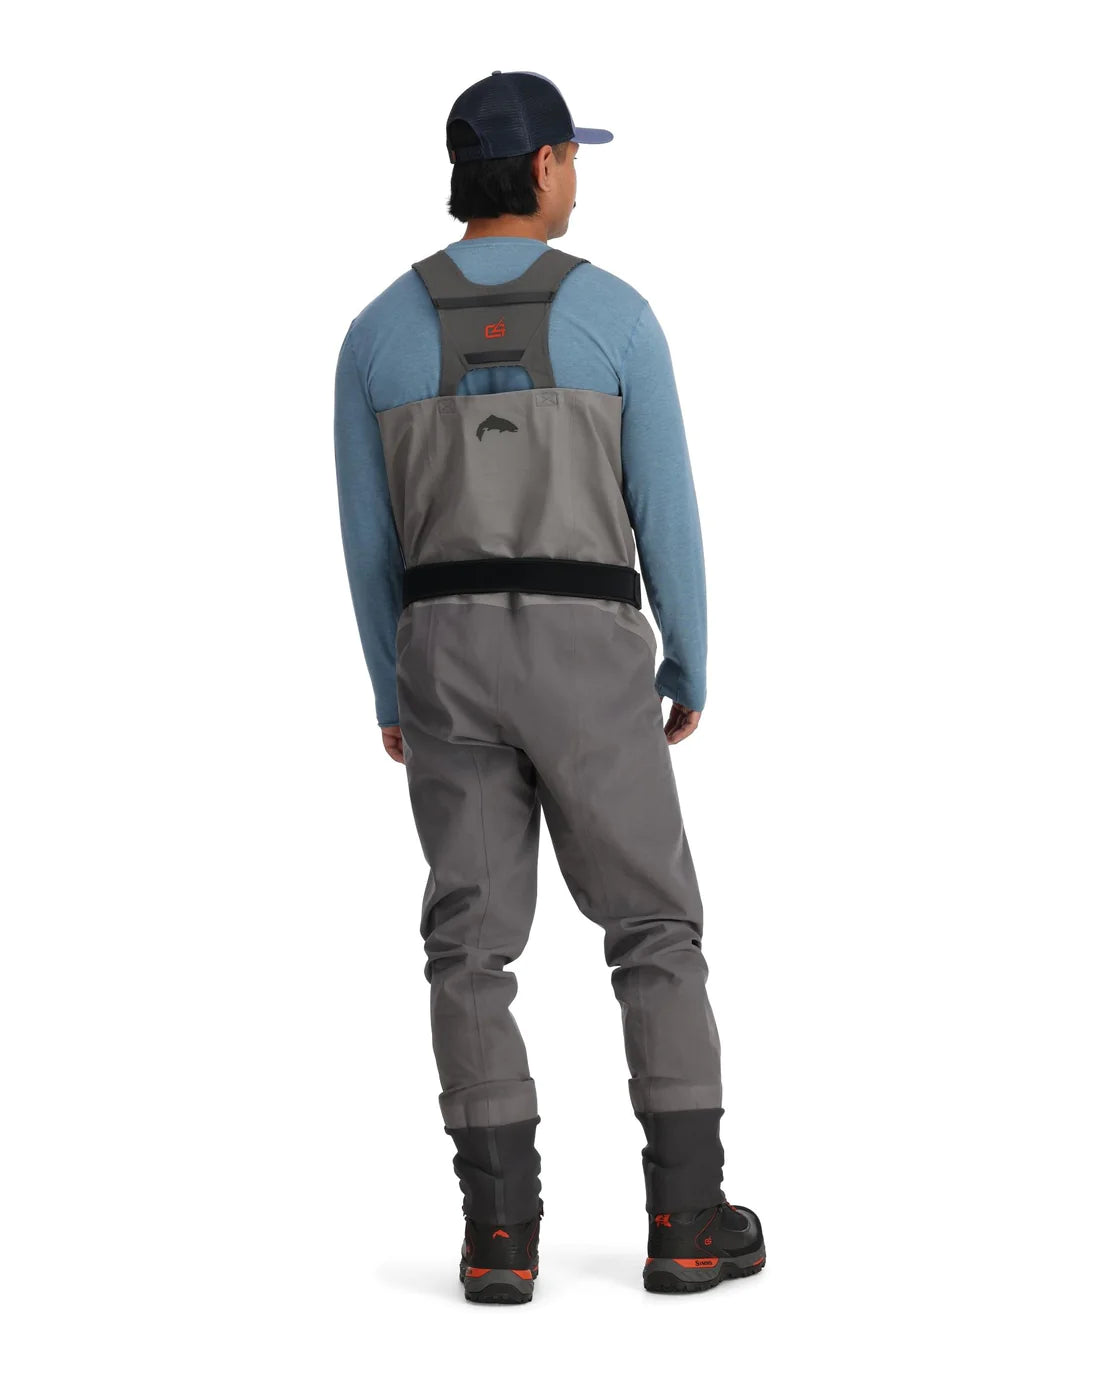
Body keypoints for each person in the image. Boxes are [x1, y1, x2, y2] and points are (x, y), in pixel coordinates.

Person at [333, 70, 765, 1303]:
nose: (576, 176)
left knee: (468, 947)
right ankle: (687, 1220)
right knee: (652, 928)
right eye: (572, 156)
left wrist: (390, 690)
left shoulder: (375, 334)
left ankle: (498, 1238)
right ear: (539, 167)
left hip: (443, 655)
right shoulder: (616, 317)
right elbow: (664, 509)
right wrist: (687, 656)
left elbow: (368, 542)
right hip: (587, 651)